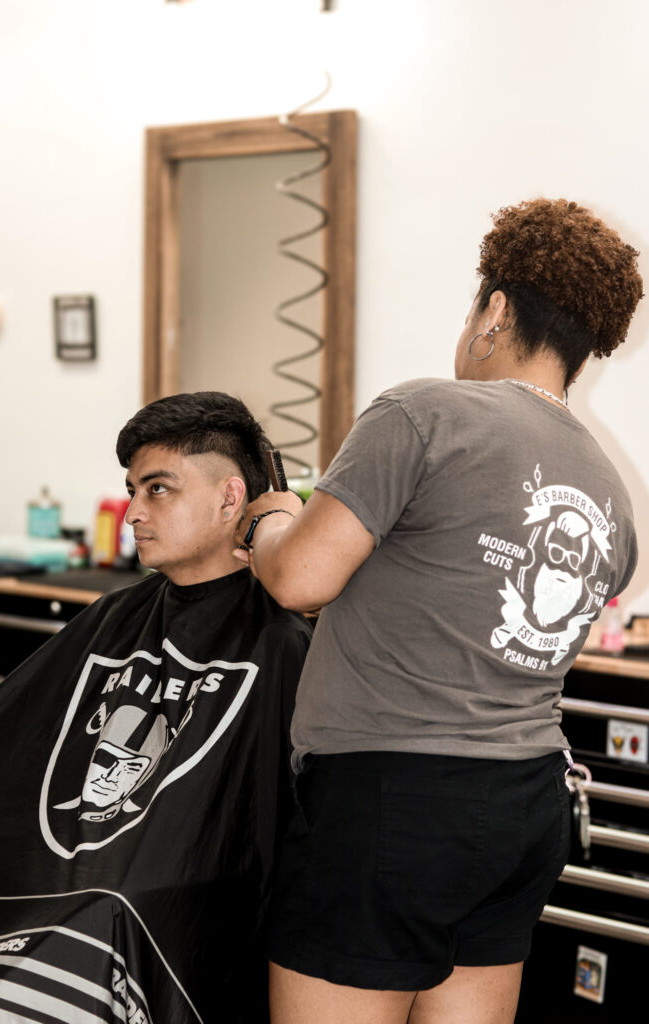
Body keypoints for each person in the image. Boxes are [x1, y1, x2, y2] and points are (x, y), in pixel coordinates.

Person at [233, 199, 643, 1024]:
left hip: (391, 803)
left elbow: (301, 580)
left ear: (493, 310)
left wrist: (269, 516)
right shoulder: (610, 491)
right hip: (523, 807)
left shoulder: (422, 414)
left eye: (472, 305)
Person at [0, 392, 312, 1024]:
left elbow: (261, 828)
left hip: (169, 899)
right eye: (132, 490)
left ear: (231, 498)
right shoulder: (113, 616)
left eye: (157, 490)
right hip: (81, 879)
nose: (131, 513)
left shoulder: (282, 636)